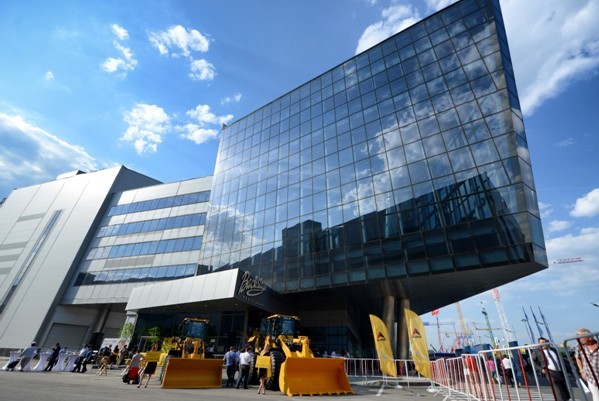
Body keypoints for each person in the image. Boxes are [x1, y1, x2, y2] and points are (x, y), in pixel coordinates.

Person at [575, 328, 599, 401]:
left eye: (580, 336)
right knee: (597, 397)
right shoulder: (579, 346)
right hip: (590, 376)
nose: (579, 339)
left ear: (589, 337)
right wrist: (581, 371)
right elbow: (577, 358)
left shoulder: (597, 344)